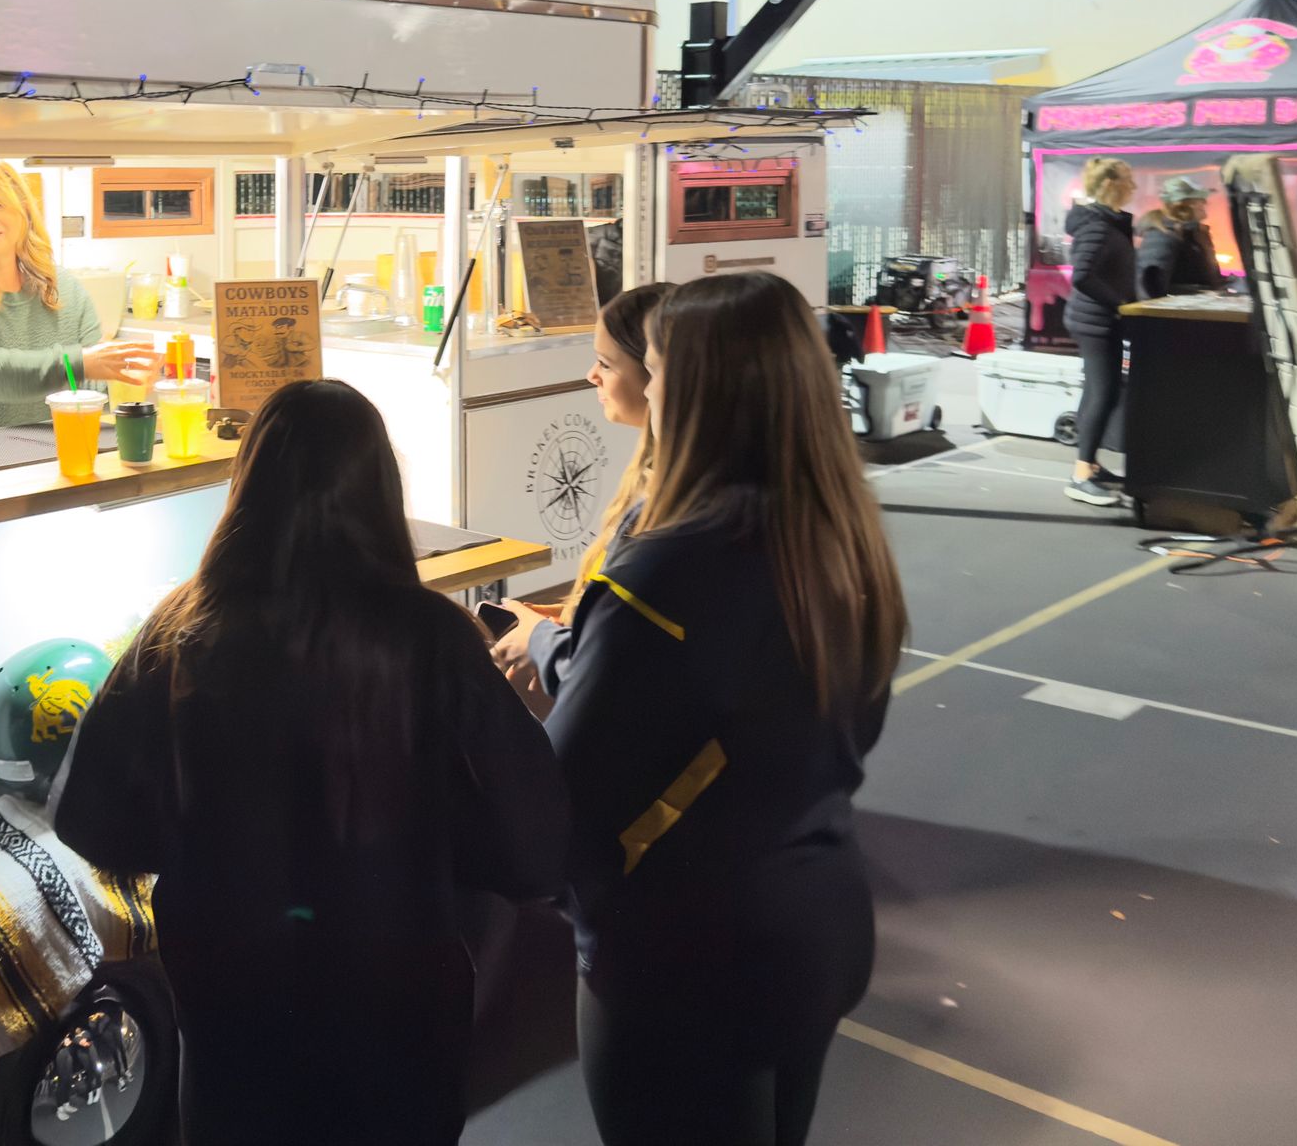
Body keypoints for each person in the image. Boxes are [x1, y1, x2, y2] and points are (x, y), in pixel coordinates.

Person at [50, 379, 567, 1146]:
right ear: (382, 490)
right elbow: (536, 852)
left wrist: (196, 842)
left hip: (231, 1016)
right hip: (400, 1009)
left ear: (246, 488)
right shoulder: (435, 638)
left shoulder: (182, 630)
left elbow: (86, 817)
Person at [537, 272, 906, 1146]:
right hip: (818, 918)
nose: (648, 385)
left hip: (688, 958)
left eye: (657, 369)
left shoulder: (670, 573)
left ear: (700, 393)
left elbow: (564, 795)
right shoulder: (834, 540)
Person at [488, 281, 674, 704]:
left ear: (654, 373)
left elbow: (616, 662)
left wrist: (542, 639)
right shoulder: (652, 480)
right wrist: (570, 620)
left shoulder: (665, 508)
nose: (591, 375)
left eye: (605, 364)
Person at [0, 159, 160, 429]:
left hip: (62, 459)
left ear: (24, 212)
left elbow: (89, 387)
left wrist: (125, 375)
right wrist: (78, 363)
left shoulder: (62, 286)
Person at [1064, 157, 1139, 506]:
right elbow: (1082, 276)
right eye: (1128, 180)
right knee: (1103, 393)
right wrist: (1119, 302)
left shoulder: (1109, 223)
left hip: (1101, 319)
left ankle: (1089, 464)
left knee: (1100, 392)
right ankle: (1080, 476)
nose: (1134, 187)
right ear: (1110, 184)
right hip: (1095, 321)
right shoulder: (1097, 225)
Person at [1136, 174, 1228, 300]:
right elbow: (1150, 285)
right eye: (1199, 199)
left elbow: (1208, 278)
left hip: (1194, 311)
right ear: (1184, 204)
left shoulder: (1193, 234)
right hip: (1178, 315)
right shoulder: (1163, 234)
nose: (1205, 203)